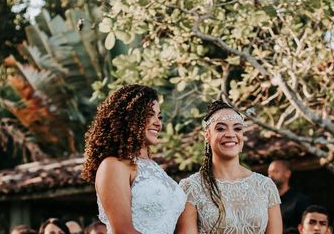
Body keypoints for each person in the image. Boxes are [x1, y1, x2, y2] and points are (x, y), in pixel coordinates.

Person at [82, 84, 185, 234]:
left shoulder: (156, 169)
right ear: (129, 116)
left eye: (159, 116)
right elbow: (123, 231)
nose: (158, 122)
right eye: (149, 114)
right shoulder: (113, 165)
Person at [177, 100, 282, 234]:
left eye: (237, 128)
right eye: (220, 128)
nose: (230, 134)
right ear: (207, 135)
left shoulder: (266, 187)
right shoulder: (191, 188)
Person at [267, 160, 311, 230]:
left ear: (287, 173)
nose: (270, 176)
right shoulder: (265, 201)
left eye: (275, 171)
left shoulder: (300, 201)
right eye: (269, 173)